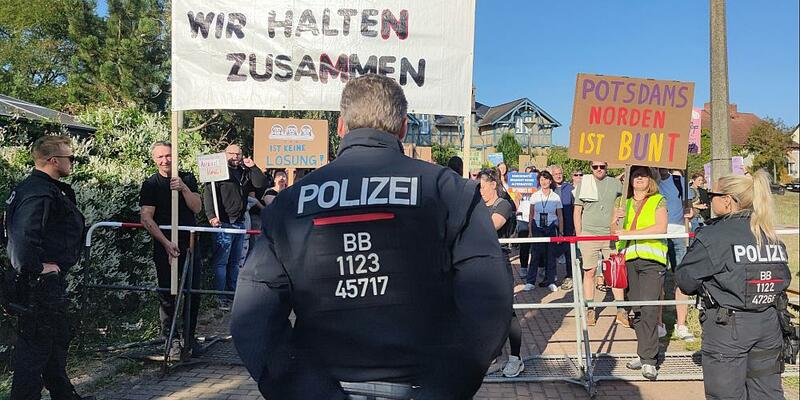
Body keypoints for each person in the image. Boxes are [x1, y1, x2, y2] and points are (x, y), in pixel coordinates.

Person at [231, 74, 512, 399]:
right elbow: (489, 302)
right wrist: (444, 387)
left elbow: (254, 318)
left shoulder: (290, 203)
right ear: (404, 127)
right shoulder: (450, 192)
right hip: (422, 383)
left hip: (322, 381)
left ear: (340, 127)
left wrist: (305, 390)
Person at [676, 170, 791, 399]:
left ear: (727, 200)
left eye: (711, 195)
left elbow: (685, 281)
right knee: (767, 393)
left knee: (725, 395)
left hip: (728, 328)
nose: (708, 200)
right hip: (768, 323)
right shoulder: (767, 233)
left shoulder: (714, 236)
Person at [4, 135, 93, 399]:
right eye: (70, 158)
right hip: (39, 286)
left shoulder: (39, 188)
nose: (73, 162)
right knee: (34, 352)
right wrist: (36, 268)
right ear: (54, 161)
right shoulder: (39, 192)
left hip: (45, 285)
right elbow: (21, 239)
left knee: (55, 344)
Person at [139, 141, 203, 359]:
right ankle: (171, 339)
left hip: (190, 244)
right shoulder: (151, 184)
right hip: (164, 244)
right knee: (167, 292)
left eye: (168, 156)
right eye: (160, 157)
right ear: (154, 159)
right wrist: (166, 243)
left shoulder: (187, 178)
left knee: (193, 292)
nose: (165, 160)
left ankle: (189, 336)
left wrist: (183, 187)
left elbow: (197, 207)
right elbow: (146, 217)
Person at [610, 166, 668, 380]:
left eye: (643, 174)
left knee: (650, 307)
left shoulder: (658, 200)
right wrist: (615, 219)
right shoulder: (621, 202)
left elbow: (661, 227)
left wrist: (630, 232)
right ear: (629, 179)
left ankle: (650, 360)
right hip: (629, 260)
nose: (639, 178)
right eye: (635, 175)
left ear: (650, 179)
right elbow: (614, 233)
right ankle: (643, 353)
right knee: (637, 309)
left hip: (652, 260)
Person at [203, 144, 268, 310]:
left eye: (238, 153)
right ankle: (220, 297)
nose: (235, 156)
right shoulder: (218, 172)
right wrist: (211, 216)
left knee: (235, 262)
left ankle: (233, 295)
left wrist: (253, 167)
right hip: (223, 222)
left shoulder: (245, 172)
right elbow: (209, 194)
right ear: (225, 155)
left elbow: (261, 184)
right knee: (221, 262)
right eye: (231, 153)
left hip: (239, 222)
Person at [478, 169, 525, 378]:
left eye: (482, 186)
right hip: (481, 265)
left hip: (500, 263)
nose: (480, 190)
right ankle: (494, 356)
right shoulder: (478, 206)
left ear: (493, 185)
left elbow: (492, 225)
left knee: (507, 311)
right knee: (487, 312)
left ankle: (516, 358)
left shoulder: (503, 205)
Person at [573, 161, 624, 326]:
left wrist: (620, 215)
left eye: (602, 166)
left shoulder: (616, 183)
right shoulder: (584, 183)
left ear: (607, 167)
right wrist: (579, 234)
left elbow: (626, 201)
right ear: (590, 168)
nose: (599, 169)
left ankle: (621, 309)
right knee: (590, 271)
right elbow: (577, 210)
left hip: (610, 233)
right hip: (589, 233)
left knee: (615, 271)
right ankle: (590, 308)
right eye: (595, 167)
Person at [656, 168, 695, 341]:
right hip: (658, 236)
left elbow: (690, 208)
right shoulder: (651, 183)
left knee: (681, 279)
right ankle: (658, 324)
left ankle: (681, 325)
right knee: (658, 280)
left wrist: (691, 212)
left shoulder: (680, 181)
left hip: (679, 234)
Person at [523, 171, 563, 292]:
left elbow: (560, 216)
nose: (544, 182)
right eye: (541, 180)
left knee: (551, 255)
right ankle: (530, 282)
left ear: (550, 181)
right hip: (537, 226)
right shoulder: (535, 196)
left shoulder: (556, 197)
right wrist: (530, 230)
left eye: (546, 179)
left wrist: (560, 232)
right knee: (535, 254)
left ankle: (551, 280)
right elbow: (531, 214)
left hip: (551, 226)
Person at [550, 165, 576, 290]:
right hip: (553, 226)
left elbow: (576, 207)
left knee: (569, 253)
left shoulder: (570, 188)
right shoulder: (549, 188)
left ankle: (570, 277)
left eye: (560, 173)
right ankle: (551, 277)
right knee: (551, 252)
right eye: (555, 174)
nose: (558, 176)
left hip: (569, 226)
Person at [516, 166, 536, 279]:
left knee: (537, 245)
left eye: (532, 174)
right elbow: (516, 202)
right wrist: (517, 197)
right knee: (524, 245)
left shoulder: (538, 187)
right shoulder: (519, 187)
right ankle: (523, 267)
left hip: (535, 219)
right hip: (523, 219)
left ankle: (539, 267)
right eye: (528, 174)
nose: (530, 176)